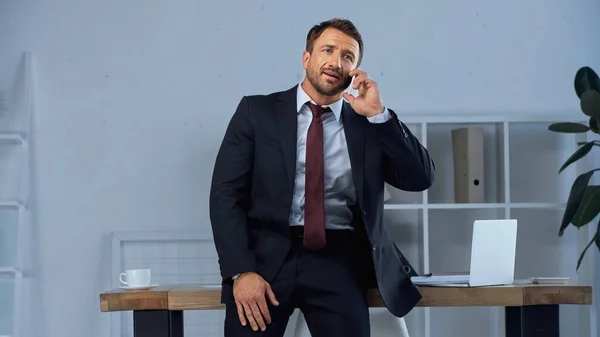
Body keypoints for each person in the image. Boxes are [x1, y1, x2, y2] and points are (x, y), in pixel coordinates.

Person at [209, 17, 435, 337]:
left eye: (347, 57)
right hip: (264, 259)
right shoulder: (256, 113)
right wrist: (240, 271)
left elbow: (420, 178)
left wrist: (379, 115)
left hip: (338, 260)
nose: (335, 62)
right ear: (307, 58)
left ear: (355, 70)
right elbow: (224, 196)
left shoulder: (367, 124)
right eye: (327, 50)